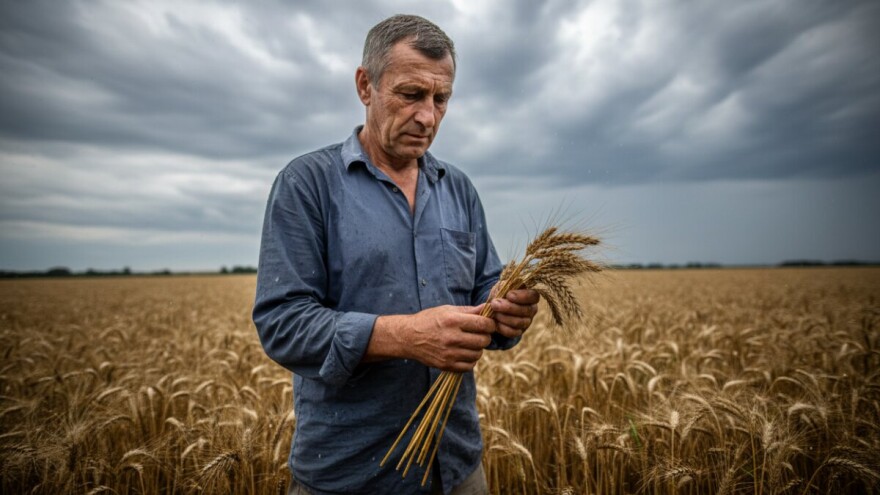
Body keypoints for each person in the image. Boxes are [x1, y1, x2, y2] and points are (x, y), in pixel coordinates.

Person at [253, 14, 539, 495]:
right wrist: (405, 336)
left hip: (458, 467)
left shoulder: (459, 189)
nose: (427, 116)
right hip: (351, 473)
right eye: (410, 95)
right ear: (366, 86)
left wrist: (508, 312)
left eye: (441, 98)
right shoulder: (307, 184)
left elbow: (484, 289)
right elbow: (282, 323)